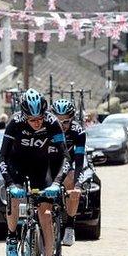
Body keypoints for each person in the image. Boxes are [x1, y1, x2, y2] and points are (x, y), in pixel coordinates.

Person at [0, 88, 71, 256]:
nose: (37, 123)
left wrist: (57, 182)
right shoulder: (16, 122)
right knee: (15, 199)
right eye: (32, 120)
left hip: (42, 168)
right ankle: (12, 236)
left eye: (39, 119)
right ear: (24, 116)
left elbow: (65, 157)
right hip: (17, 165)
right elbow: (1, 157)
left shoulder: (52, 122)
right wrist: (10, 183)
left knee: (45, 215)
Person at [51, 99, 86, 247]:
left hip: (69, 166)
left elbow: (79, 161)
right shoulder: (46, 129)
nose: (62, 125)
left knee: (72, 182)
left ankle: (70, 225)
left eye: (66, 122)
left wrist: (77, 186)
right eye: (58, 121)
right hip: (49, 165)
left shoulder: (78, 132)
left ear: (72, 119)